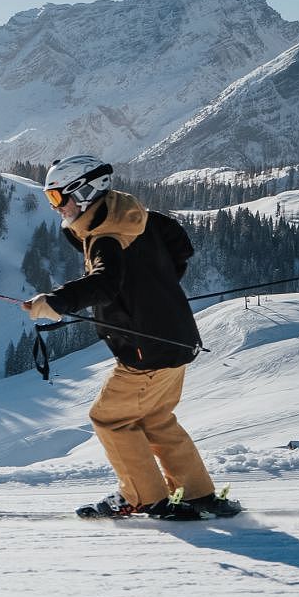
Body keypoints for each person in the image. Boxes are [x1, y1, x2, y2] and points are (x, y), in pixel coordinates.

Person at [21, 156, 241, 521]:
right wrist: (154, 290)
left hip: (146, 352)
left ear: (85, 192)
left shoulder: (106, 237)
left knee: (109, 418)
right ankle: (198, 493)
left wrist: (56, 301)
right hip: (178, 340)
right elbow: (180, 247)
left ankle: (143, 496)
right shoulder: (139, 218)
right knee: (155, 418)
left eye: (58, 199)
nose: (56, 208)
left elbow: (104, 285)